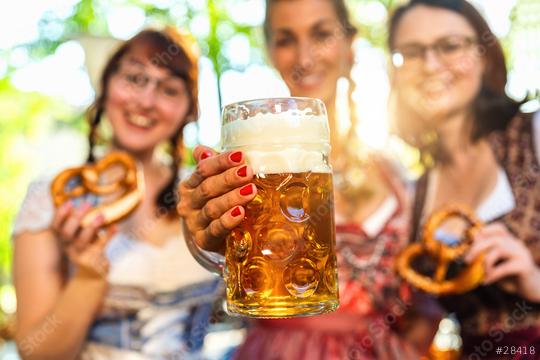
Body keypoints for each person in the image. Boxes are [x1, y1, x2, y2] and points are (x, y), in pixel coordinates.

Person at [178, 1, 441, 358]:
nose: (304, 57)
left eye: (321, 35)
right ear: (271, 52)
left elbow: (427, 295)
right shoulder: (251, 165)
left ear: (350, 45)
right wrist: (204, 237)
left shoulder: (396, 176)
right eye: (286, 40)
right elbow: (214, 275)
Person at [12, 28, 223, 359]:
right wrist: (88, 275)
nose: (146, 100)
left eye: (169, 89)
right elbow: (36, 352)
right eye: (135, 78)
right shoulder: (51, 198)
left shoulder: (201, 193)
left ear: (189, 110)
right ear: (105, 85)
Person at [388, 0, 540, 357]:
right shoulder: (415, 195)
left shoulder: (534, 135)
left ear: (485, 55)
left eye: (450, 46)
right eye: (411, 52)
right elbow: (423, 318)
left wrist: (534, 280)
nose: (430, 64)